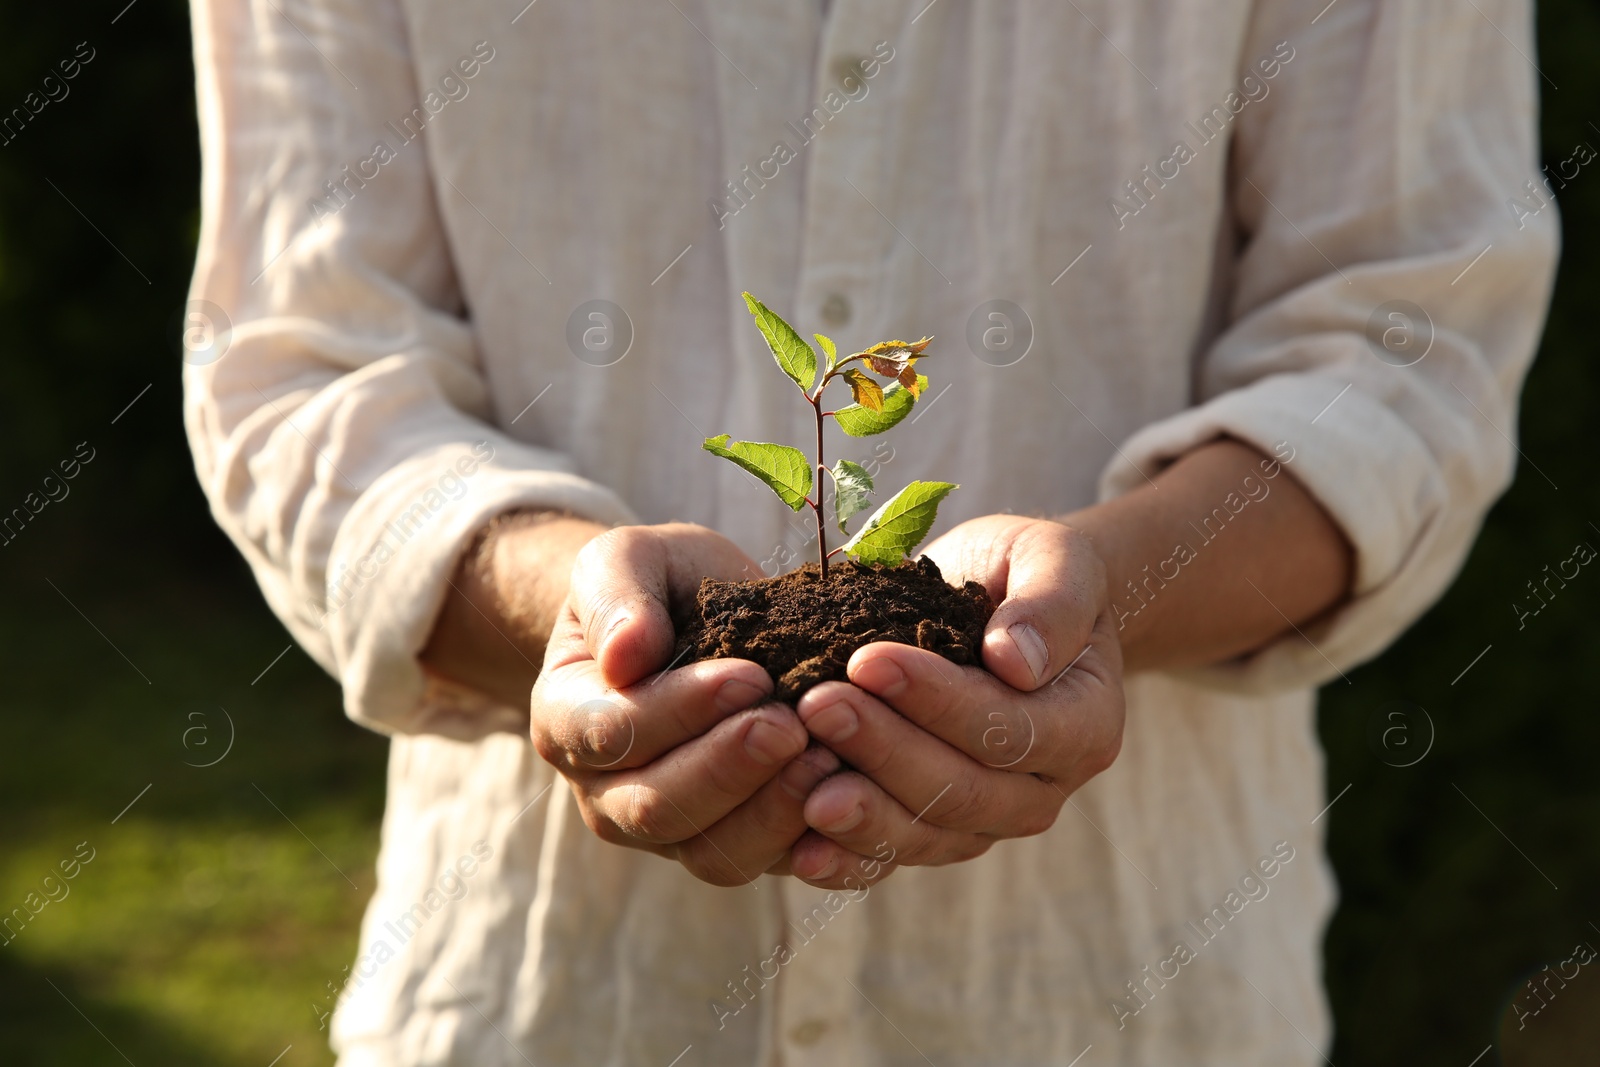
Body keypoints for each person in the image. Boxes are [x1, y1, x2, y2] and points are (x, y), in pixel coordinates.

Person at [183, 0, 1556, 1062]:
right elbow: (300, 365)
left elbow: (1403, 348)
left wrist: (1101, 597)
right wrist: (575, 618)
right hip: (545, 1003)